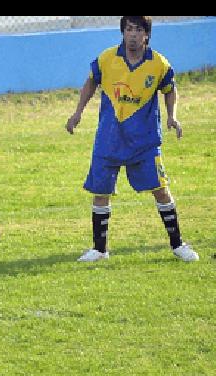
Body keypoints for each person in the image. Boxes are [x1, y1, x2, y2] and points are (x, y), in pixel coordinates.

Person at [65, 16, 198, 263]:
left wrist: (172, 117)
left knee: (161, 190)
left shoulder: (158, 64)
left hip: (143, 141)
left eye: (138, 30)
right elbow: (91, 81)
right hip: (109, 138)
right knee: (100, 191)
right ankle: (100, 249)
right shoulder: (107, 58)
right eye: (128, 29)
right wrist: (77, 113)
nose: (133, 35)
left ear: (146, 35)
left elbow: (170, 91)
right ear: (123, 32)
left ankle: (178, 244)